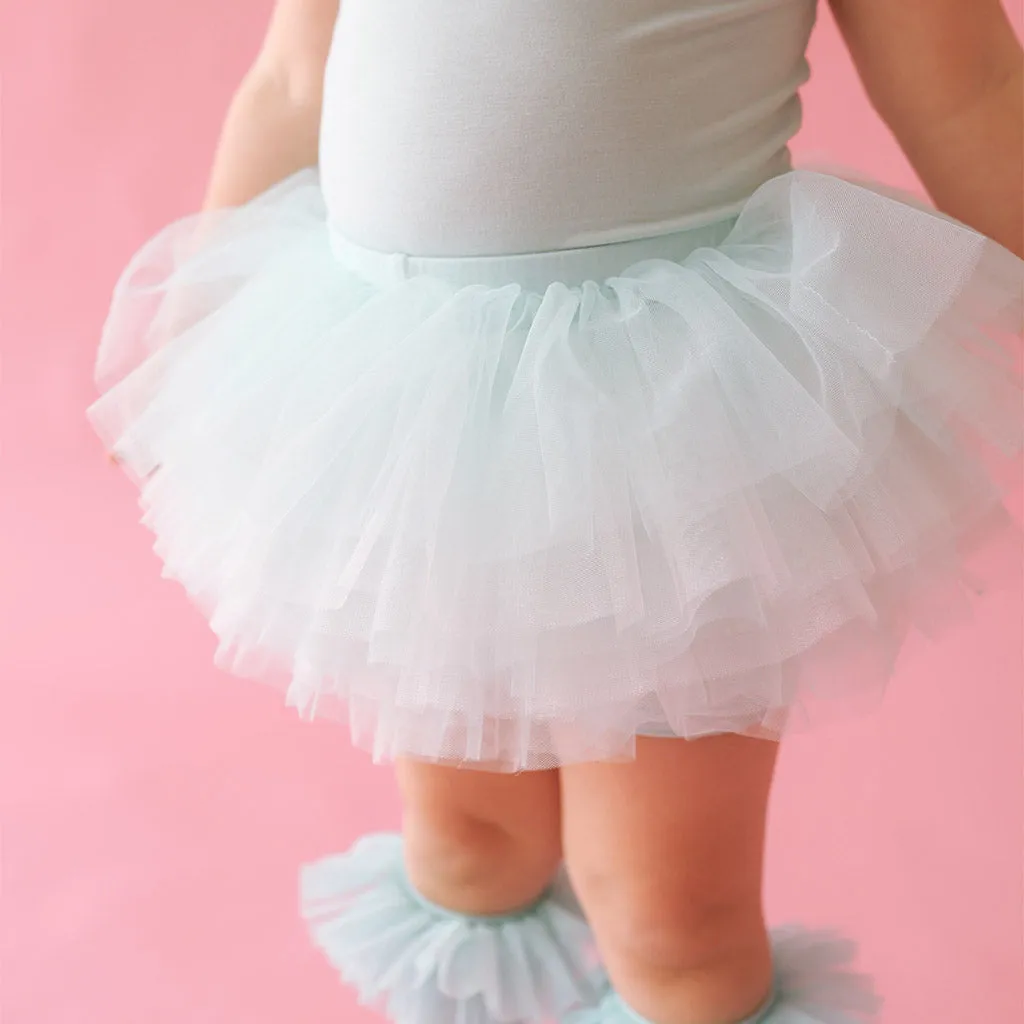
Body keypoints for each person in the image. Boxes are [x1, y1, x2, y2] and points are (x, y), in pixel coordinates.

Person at [88, 1, 1024, 1022]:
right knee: (471, 848)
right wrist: (189, 330)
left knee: (675, 920)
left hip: (677, 432)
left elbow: (968, 89)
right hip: (407, 412)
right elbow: (294, 75)